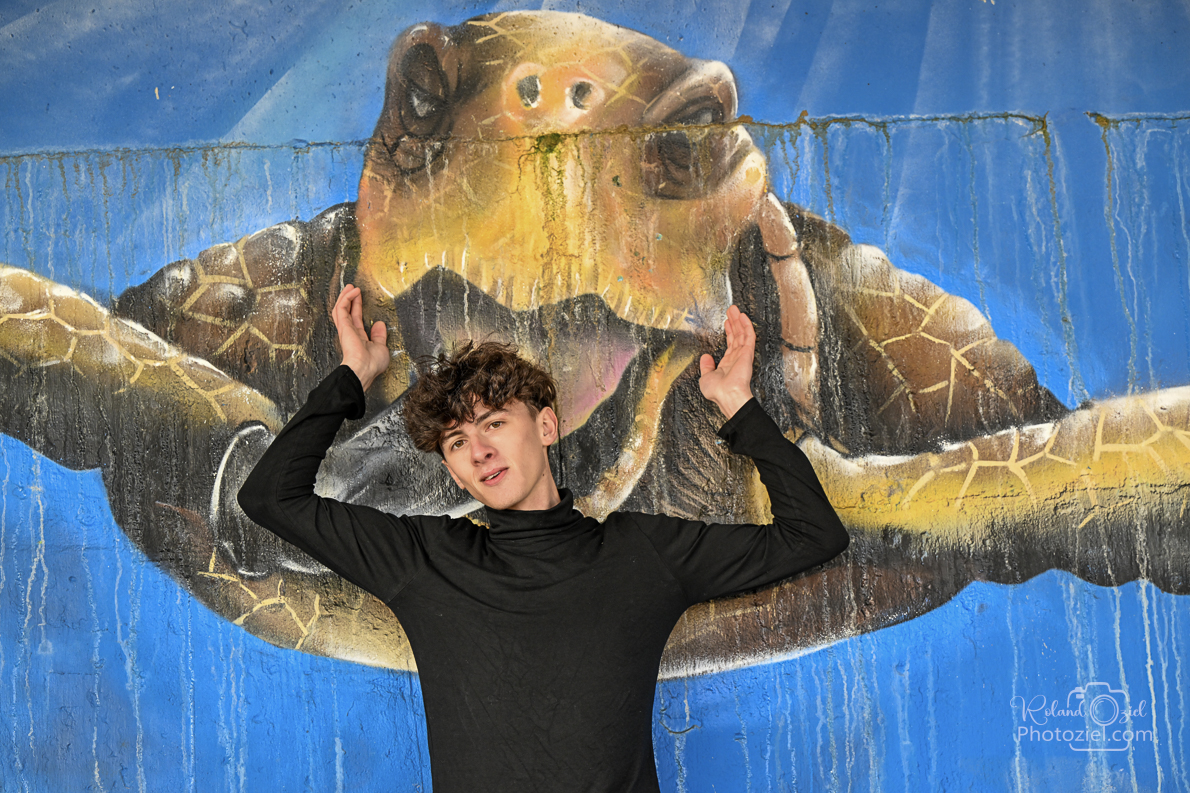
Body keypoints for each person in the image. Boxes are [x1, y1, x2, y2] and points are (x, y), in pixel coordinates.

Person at [237, 283, 850, 793]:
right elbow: (270, 497)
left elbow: (812, 535)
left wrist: (737, 404)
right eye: (456, 442)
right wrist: (353, 376)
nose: (478, 450)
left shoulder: (643, 554)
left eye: (494, 423)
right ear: (451, 469)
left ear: (548, 426)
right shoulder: (424, 560)